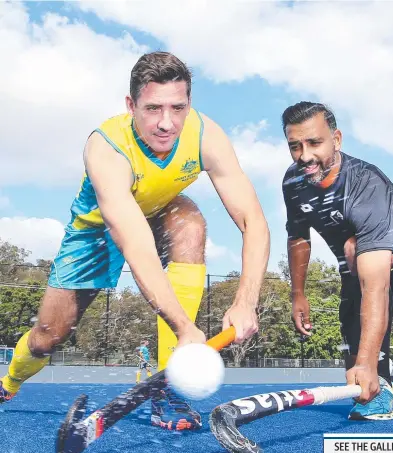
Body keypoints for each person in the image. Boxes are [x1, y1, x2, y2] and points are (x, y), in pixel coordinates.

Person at [0, 51, 270, 431]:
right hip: (97, 230)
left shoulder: (206, 135)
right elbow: (136, 245)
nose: (166, 122)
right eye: (153, 108)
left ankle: (166, 385)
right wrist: (184, 328)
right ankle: (8, 382)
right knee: (48, 337)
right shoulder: (106, 147)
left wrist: (246, 302)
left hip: (159, 209)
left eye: (178, 108)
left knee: (189, 223)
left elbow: (253, 220)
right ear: (131, 106)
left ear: (189, 104)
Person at [282, 101, 393, 420]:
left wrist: (368, 362)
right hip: (358, 258)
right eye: (294, 146)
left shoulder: (363, 183)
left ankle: (384, 388)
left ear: (336, 140)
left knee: (359, 262)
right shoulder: (294, 182)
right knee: (350, 310)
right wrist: (298, 293)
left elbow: (377, 285)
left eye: (314, 143)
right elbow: (298, 236)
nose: (305, 156)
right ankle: (368, 389)